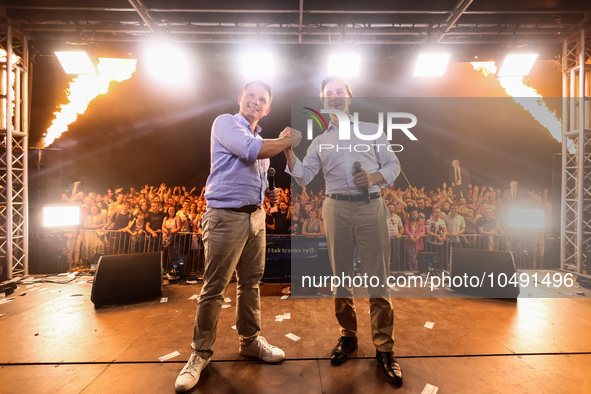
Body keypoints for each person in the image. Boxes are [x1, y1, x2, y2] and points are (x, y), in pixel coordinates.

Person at [175, 80, 298, 392]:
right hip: (224, 217)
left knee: (250, 283)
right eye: (251, 96)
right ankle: (199, 353)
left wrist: (267, 195)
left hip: (255, 218)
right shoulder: (226, 124)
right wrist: (286, 142)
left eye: (262, 99)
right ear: (240, 98)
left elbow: (257, 162)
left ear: (267, 109)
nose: (255, 102)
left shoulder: (260, 140)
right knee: (214, 288)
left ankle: (250, 341)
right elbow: (250, 150)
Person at [284, 75, 403, 386]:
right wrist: (287, 150)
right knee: (341, 278)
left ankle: (384, 348)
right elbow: (304, 176)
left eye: (340, 91)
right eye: (329, 93)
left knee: (378, 279)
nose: (334, 96)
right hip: (334, 207)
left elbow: (392, 165)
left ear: (350, 97)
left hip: (370, 206)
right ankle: (348, 336)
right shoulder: (320, 141)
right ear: (324, 102)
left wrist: (375, 177)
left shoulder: (371, 131)